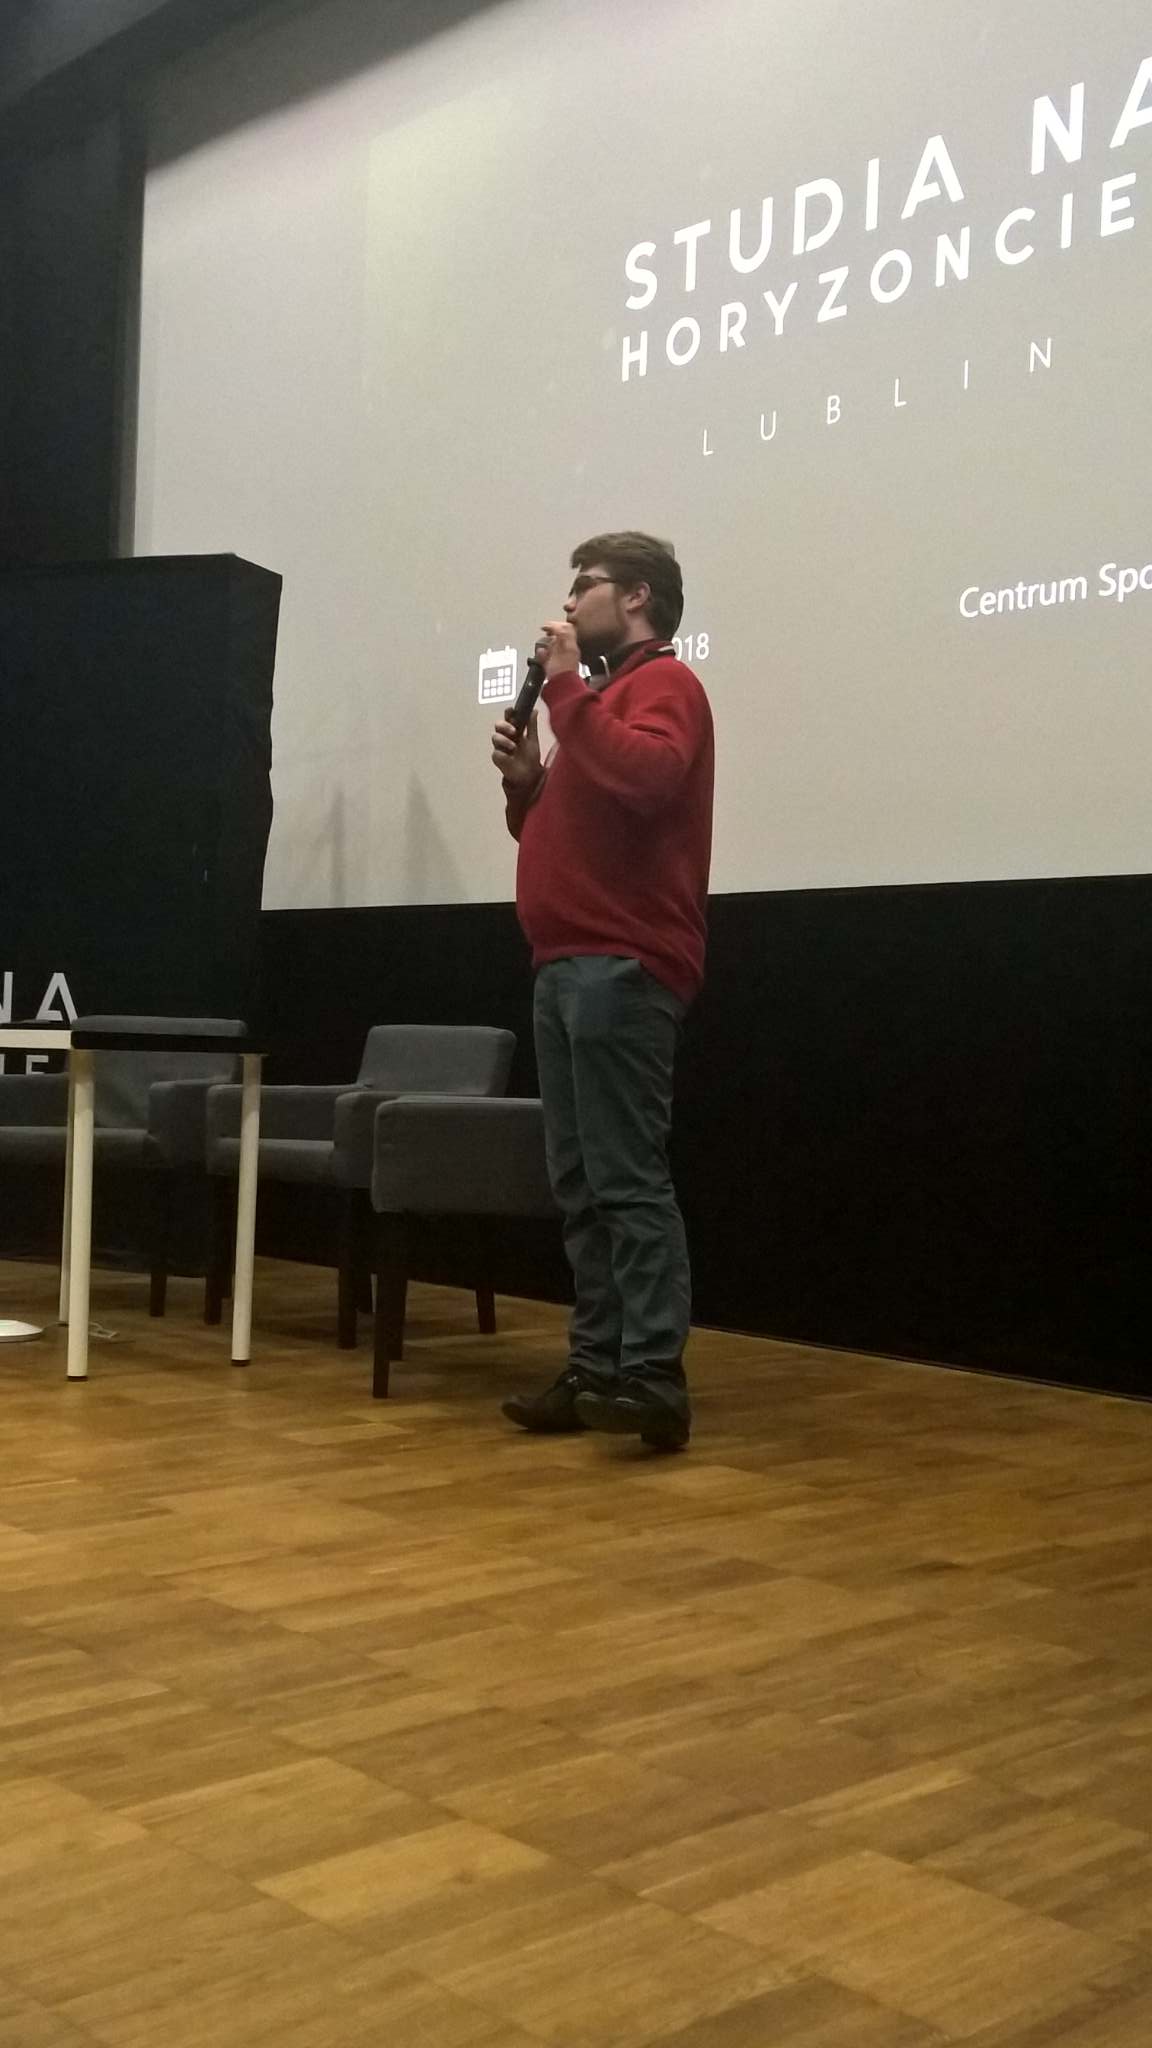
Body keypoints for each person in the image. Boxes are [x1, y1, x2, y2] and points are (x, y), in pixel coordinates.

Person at [491, 532, 714, 1451]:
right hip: (565, 963)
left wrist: (563, 691)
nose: (568, 601)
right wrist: (527, 787)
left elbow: (648, 779)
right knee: (581, 1185)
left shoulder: (666, 685)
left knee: (624, 1179)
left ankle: (653, 1377)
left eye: (584, 585)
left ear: (636, 597)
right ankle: (594, 1369)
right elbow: (569, 827)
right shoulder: (598, 702)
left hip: (622, 964)